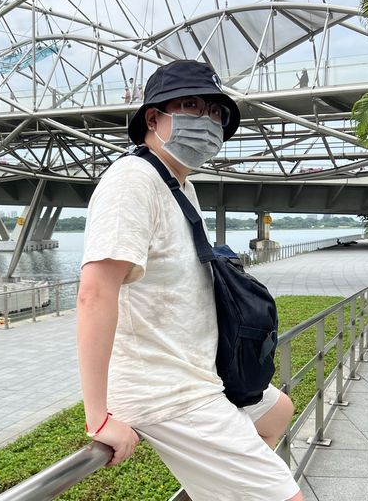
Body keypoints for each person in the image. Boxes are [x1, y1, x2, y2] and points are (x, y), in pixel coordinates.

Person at [77, 60, 303, 501]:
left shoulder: (179, 185)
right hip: (163, 387)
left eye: (216, 112)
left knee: (277, 413)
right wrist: (98, 416)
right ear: (153, 117)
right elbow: (94, 293)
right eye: (192, 105)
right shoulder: (131, 180)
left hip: (199, 372)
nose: (207, 120)